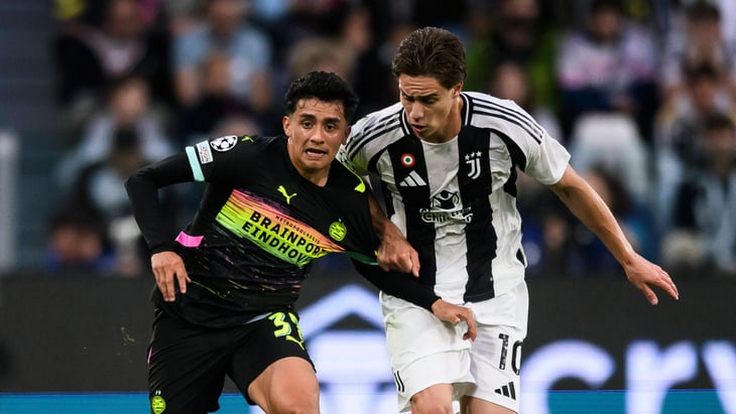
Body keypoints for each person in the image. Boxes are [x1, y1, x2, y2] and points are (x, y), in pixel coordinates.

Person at [339, 27, 680, 414]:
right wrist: (384, 231)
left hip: (496, 292)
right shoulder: (377, 133)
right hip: (417, 293)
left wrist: (627, 257)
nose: (415, 112)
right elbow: (336, 178)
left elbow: (569, 186)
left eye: (428, 99)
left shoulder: (503, 123)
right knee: (432, 407)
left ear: (456, 89)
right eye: (406, 97)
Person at [125, 71, 476, 414]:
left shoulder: (349, 199)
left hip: (263, 319)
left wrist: (434, 303)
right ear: (287, 125)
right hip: (189, 315)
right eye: (307, 123)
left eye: (330, 126)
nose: (317, 137)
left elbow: (370, 266)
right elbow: (143, 180)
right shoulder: (246, 157)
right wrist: (162, 249)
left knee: (299, 407)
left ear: (345, 135)